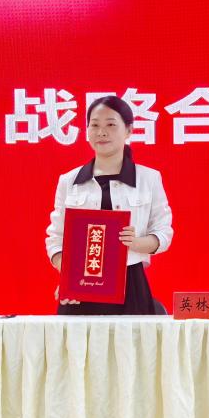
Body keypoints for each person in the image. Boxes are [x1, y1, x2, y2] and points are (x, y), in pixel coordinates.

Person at [46, 95, 173, 317]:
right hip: (80, 286)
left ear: (129, 130)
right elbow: (56, 238)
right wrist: (68, 276)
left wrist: (136, 242)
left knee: (132, 340)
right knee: (78, 340)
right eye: (94, 125)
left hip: (131, 284)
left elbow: (163, 232)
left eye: (111, 125)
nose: (101, 132)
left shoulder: (149, 178)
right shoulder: (69, 180)